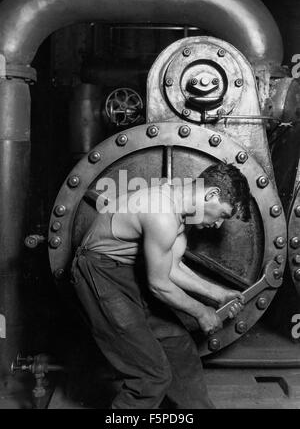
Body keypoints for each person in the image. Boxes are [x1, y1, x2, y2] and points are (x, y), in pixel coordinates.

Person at [70, 162, 251, 409]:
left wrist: (218, 294)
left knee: (179, 347)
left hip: (126, 271)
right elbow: (158, 284)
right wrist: (201, 312)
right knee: (151, 376)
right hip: (99, 273)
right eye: (222, 215)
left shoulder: (181, 208)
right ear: (211, 195)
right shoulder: (162, 212)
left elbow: (172, 267)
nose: (218, 225)